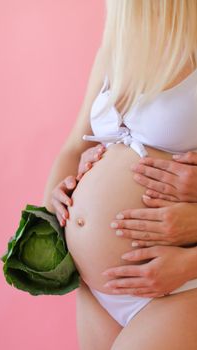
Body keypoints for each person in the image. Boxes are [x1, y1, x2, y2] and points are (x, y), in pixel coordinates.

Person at [42, 1, 197, 349]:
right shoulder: (118, 47)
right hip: (94, 288)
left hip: (176, 285)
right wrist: (56, 198)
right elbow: (72, 146)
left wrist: (190, 264)